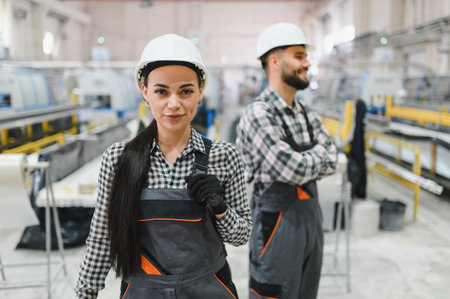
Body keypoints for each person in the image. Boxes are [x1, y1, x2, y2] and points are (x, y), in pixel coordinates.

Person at [75, 33, 252, 299]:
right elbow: (102, 238)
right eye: (161, 91)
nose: (174, 104)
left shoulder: (224, 156)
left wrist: (219, 207)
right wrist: (85, 293)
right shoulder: (120, 159)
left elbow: (241, 235)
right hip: (145, 291)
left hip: (208, 289)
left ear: (200, 92)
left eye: (186, 91)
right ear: (145, 92)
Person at [235, 23, 338, 299]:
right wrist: (316, 156)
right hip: (276, 231)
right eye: (299, 55)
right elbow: (290, 168)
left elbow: (333, 158)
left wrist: (307, 160)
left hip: (311, 225)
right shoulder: (259, 114)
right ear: (275, 61)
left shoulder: (305, 112)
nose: (307, 63)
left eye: (305, 56)